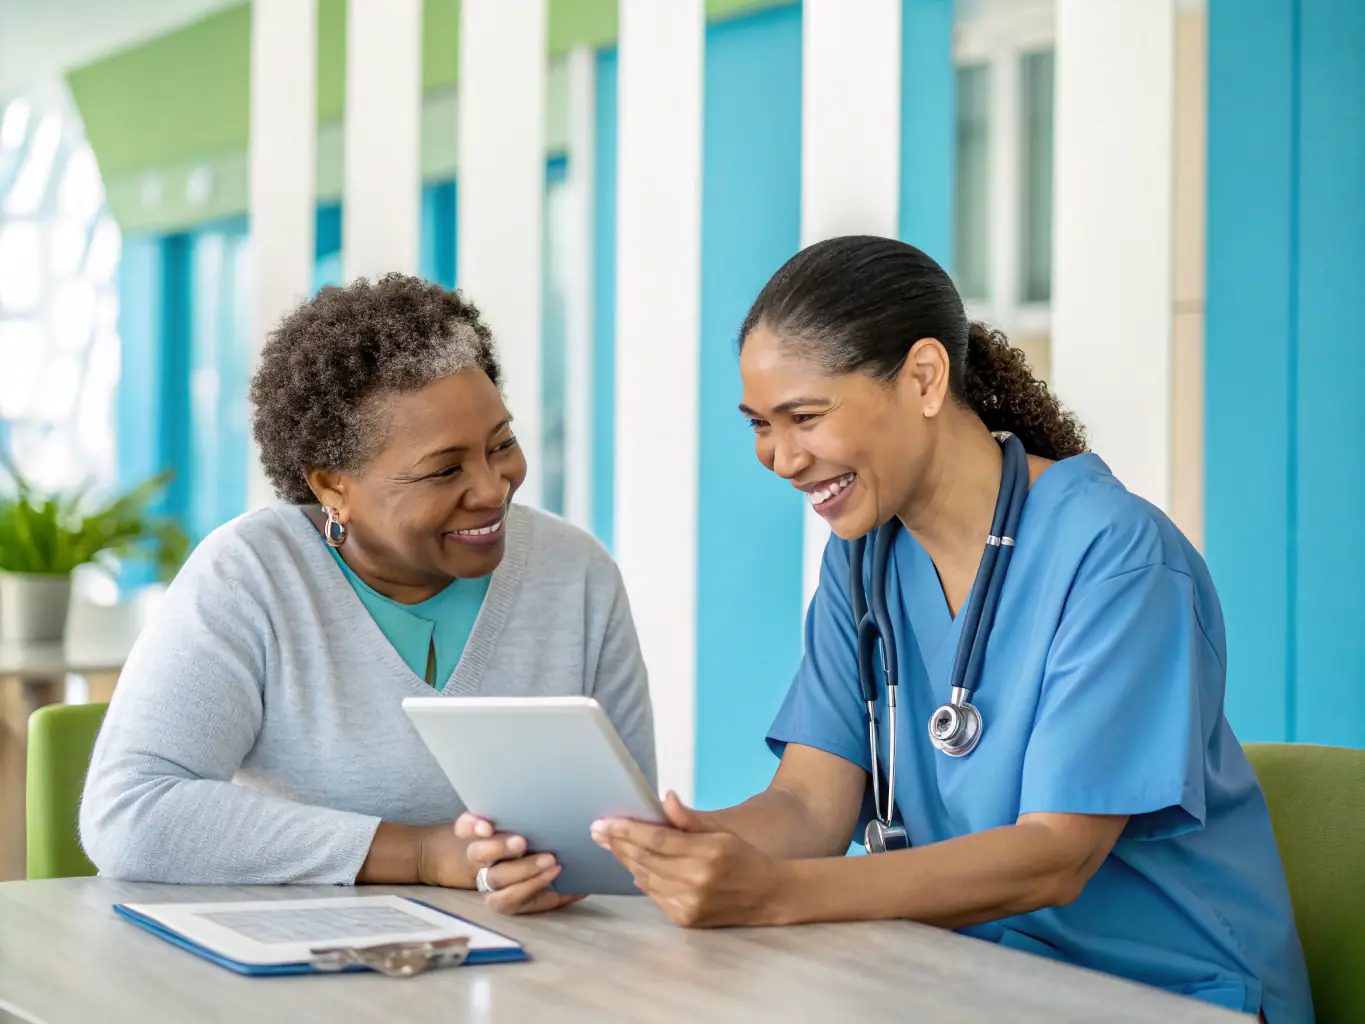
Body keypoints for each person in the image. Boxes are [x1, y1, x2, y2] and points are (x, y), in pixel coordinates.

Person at [579, 237, 1310, 1022]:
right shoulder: (861, 561)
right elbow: (808, 808)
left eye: (804, 417)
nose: (780, 458)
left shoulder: (1116, 557)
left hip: (1165, 995)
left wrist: (775, 894)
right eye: (760, 424)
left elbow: (1055, 856)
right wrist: (626, 850)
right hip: (972, 981)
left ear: (924, 378)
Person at [80, 273, 655, 916]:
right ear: (332, 486)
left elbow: (627, 840)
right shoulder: (254, 575)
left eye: (502, 444)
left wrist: (572, 870)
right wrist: (420, 855)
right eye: (445, 469)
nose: (492, 488)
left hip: (541, 969)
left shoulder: (576, 574)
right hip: (302, 963)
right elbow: (131, 812)